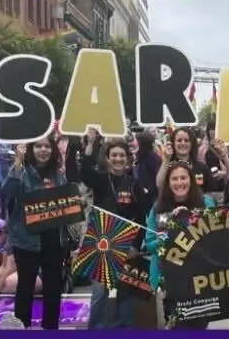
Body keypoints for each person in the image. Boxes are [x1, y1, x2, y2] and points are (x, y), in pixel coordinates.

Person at [77, 133, 153, 330]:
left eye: (122, 155)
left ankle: (124, 328)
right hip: (100, 242)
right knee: (99, 293)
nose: (118, 159)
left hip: (127, 246)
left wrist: (136, 246)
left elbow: (145, 216)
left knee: (126, 293)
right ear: (107, 158)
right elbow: (84, 171)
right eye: (114, 155)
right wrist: (91, 143)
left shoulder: (135, 184)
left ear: (127, 159)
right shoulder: (100, 179)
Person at [2, 135, 74, 329]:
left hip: (54, 239)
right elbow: (8, 190)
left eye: (47, 146)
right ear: (31, 150)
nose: (43, 150)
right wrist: (18, 161)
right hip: (26, 240)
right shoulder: (22, 172)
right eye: (39, 146)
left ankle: (50, 328)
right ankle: (22, 327)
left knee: (53, 288)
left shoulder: (58, 174)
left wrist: (75, 203)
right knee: (25, 287)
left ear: (53, 150)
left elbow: (67, 204)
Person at [145, 162, 216, 329]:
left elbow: (213, 240)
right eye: (174, 179)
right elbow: (150, 246)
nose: (179, 182)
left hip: (200, 280)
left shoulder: (205, 203)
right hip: (168, 281)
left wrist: (190, 221)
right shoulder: (159, 208)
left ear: (191, 180)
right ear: (168, 183)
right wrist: (172, 228)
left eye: (183, 178)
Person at [156, 127, 229, 197]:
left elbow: (210, 191)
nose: (183, 143)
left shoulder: (201, 167)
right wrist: (166, 159)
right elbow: (159, 185)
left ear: (191, 144)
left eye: (186, 140)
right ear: (173, 143)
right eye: (179, 140)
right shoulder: (167, 166)